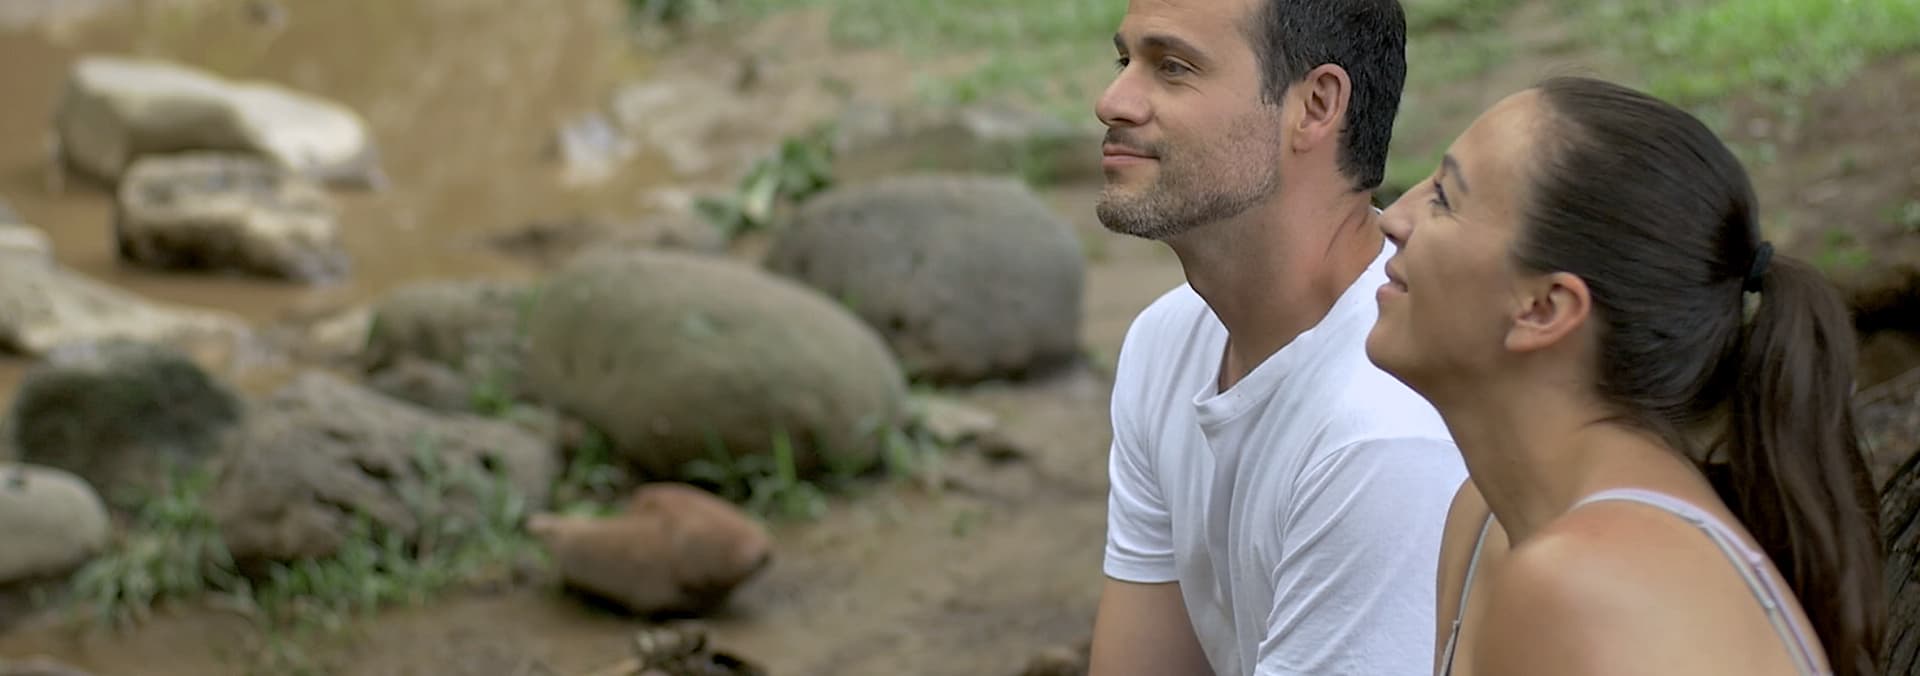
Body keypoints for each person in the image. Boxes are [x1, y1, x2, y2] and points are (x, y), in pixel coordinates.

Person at [1365, 75, 1887, 676]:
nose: (1393, 218)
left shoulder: (1582, 584)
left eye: (1443, 198)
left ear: (1544, 309)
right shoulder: (1484, 520)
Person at [1087, 0, 1468, 674]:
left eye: (1172, 67)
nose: (1112, 101)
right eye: (1126, 60)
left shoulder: (1387, 430)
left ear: (1315, 106)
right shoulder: (1166, 343)